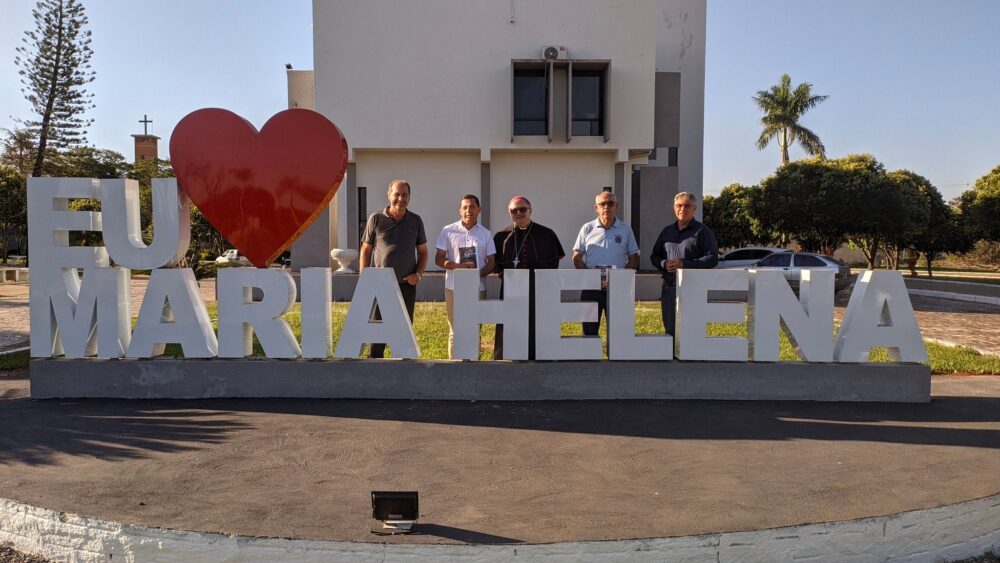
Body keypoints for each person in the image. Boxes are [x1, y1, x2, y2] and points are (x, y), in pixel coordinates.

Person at [359, 179, 429, 358]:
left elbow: (423, 252)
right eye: (396, 194)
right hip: (380, 284)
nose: (400, 198)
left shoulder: (416, 221)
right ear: (389, 195)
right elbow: (366, 250)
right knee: (378, 330)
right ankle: (375, 364)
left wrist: (418, 275)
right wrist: (364, 277)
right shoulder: (376, 219)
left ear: (409, 197)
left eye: (404, 195)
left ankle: (403, 368)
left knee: (404, 331)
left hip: (406, 284)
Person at [492, 196, 565, 360]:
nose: (519, 213)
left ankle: (538, 354)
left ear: (530, 210)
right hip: (511, 290)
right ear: (509, 213)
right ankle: (506, 354)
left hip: (538, 289)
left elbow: (554, 262)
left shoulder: (547, 234)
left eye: (522, 209)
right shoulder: (501, 236)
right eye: (514, 210)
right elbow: (495, 264)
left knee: (538, 322)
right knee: (509, 322)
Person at [435, 194, 496, 359]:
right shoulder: (448, 231)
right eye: (465, 207)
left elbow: (492, 262)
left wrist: (477, 275)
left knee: (475, 328)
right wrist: (457, 267)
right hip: (453, 287)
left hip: (478, 288)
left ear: (479, 209)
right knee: (455, 329)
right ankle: (454, 364)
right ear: (460, 210)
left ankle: (474, 363)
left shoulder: (486, 234)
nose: (468, 210)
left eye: (472, 207)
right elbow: (439, 259)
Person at [650, 191, 719, 335]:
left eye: (687, 206)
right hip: (669, 288)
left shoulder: (703, 231)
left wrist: (684, 264)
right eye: (679, 205)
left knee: (692, 331)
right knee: (670, 330)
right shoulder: (666, 231)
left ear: (695, 209)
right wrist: (663, 263)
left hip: (693, 288)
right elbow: (654, 256)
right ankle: (671, 358)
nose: (682, 209)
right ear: (674, 208)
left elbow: (712, 258)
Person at [572, 191, 640, 338]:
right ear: (596, 208)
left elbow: (634, 257)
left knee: (619, 332)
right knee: (589, 331)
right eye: (602, 204)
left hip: (617, 288)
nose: (606, 207)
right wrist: (590, 278)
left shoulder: (626, 230)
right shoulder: (587, 228)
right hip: (591, 288)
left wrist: (621, 280)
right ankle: (589, 359)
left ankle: (618, 360)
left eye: (610, 203)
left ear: (616, 206)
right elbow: (577, 257)